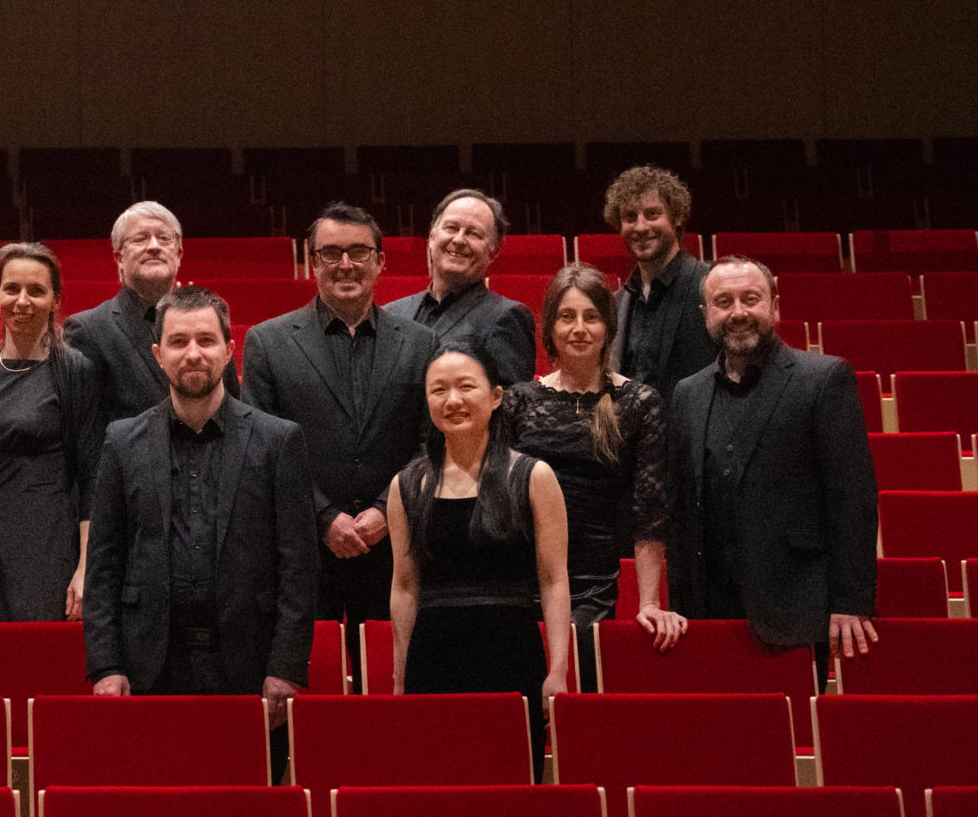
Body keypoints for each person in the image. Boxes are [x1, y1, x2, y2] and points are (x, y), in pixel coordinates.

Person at [82, 285, 320, 754]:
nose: (193, 354)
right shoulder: (122, 440)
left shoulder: (278, 440)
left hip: (248, 665)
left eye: (207, 341)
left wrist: (286, 667)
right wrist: (106, 667)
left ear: (230, 350)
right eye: (179, 342)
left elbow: (299, 567)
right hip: (148, 663)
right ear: (158, 354)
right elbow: (104, 564)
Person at [241, 203, 438, 683]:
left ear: (380, 261)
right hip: (303, 552)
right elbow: (262, 448)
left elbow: (431, 446)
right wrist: (324, 517)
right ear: (312, 262)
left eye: (358, 252)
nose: (345, 264)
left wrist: (384, 511)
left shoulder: (422, 343)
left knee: (396, 692)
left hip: (395, 550)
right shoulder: (267, 343)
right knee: (312, 695)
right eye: (330, 253)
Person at [667, 257, 880, 665]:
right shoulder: (686, 393)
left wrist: (851, 600)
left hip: (799, 609)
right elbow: (681, 513)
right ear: (705, 314)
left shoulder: (823, 378)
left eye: (751, 299)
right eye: (723, 302)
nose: (738, 312)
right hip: (708, 611)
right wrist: (682, 604)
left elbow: (852, 498)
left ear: (775, 307)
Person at [387, 346, 573, 781]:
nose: (452, 400)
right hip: (433, 659)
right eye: (439, 390)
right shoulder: (406, 484)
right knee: (438, 792)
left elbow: (553, 578)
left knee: (510, 790)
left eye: (466, 387)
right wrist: (400, 676)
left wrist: (558, 669)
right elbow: (404, 586)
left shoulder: (534, 476)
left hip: (511, 654)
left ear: (495, 397)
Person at [506, 268, 680, 689]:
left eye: (591, 317)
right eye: (567, 317)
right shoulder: (519, 400)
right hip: (517, 574)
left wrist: (651, 601)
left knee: (577, 690)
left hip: (590, 579)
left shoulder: (639, 402)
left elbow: (649, 513)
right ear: (550, 327)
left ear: (608, 327)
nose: (579, 329)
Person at [0, 242, 102, 623]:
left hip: (46, 543)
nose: (22, 301)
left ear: (55, 300)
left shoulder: (75, 372)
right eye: (12, 288)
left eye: (36, 291)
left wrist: (86, 567)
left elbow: (91, 475)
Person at [64, 201, 234, 422]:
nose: (154, 246)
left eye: (164, 238)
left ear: (179, 254)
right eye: (140, 238)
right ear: (119, 257)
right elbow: (84, 429)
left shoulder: (211, 318)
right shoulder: (87, 330)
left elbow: (232, 409)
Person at [383, 190, 537, 388]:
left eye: (473, 233)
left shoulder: (507, 317)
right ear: (431, 237)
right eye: (451, 228)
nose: (458, 240)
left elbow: (511, 411)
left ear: (494, 250)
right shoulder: (389, 315)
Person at [607, 166, 715, 396]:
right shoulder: (617, 302)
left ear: (677, 217)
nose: (641, 227)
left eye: (652, 214)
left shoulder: (710, 286)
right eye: (630, 217)